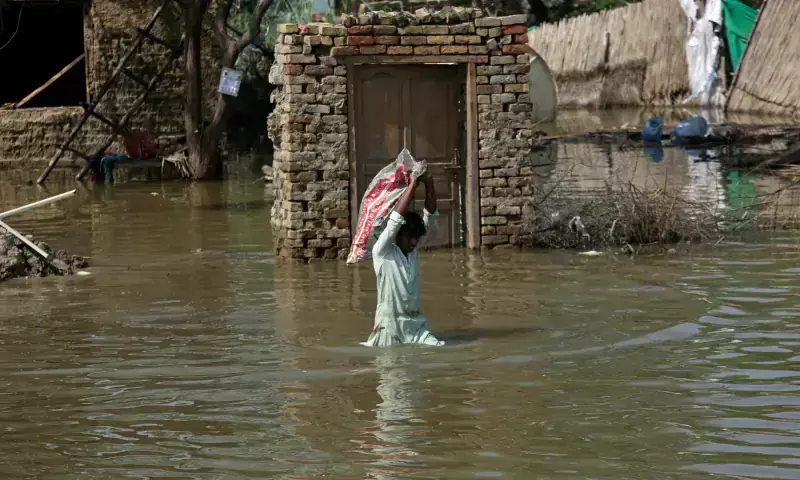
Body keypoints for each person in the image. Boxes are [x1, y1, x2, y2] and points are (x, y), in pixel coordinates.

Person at [361, 171, 444, 347]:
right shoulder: (382, 252)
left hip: (416, 326)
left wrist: (429, 183)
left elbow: (430, 214)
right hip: (389, 328)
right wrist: (412, 184)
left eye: (416, 238)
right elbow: (394, 222)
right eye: (409, 237)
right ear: (398, 235)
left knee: (438, 349)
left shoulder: (412, 251)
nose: (414, 242)